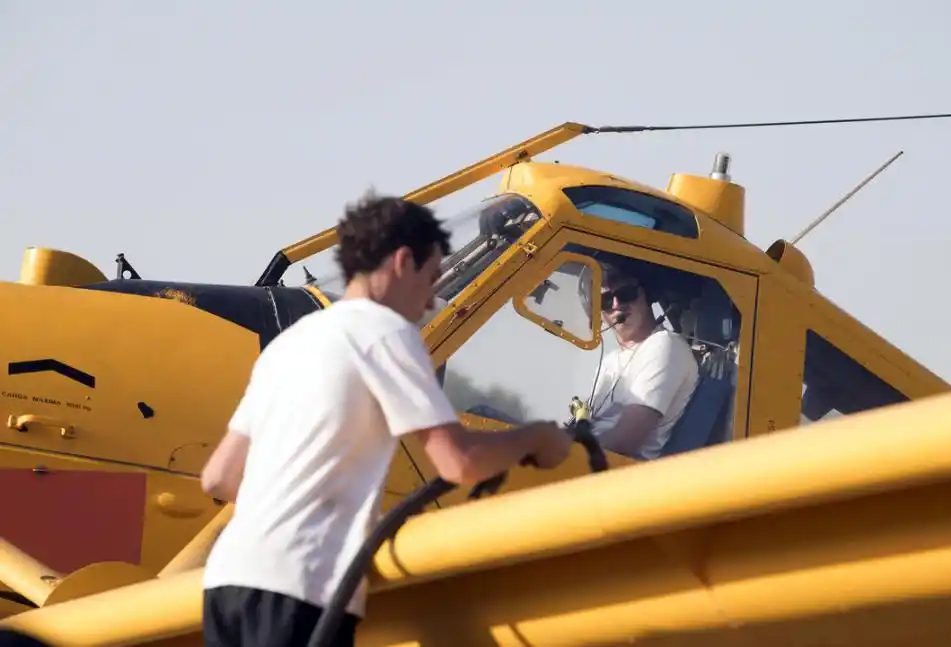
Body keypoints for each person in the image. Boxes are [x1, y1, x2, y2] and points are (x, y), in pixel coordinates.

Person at [197, 192, 574, 647]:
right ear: (402, 262)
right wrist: (535, 438)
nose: (431, 300)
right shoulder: (384, 331)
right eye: (431, 279)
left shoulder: (289, 344)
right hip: (301, 585)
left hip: (227, 584)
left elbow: (219, 477)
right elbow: (458, 463)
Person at [586, 261, 699, 460]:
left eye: (626, 294)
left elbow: (624, 442)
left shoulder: (664, 345)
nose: (616, 305)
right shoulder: (610, 361)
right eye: (605, 300)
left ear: (647, 294)